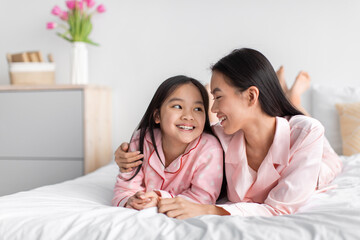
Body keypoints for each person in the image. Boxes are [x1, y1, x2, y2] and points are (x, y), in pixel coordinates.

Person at [115, 48, 342, 218]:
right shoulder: (220, 135)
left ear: (251, 96)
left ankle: (293, 98)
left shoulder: (307, 133)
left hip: (319, 160)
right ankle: (284, 92)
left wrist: (209, 210)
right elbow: (180, 136)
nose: (212, 109)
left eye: (218, 96)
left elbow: (279, 208)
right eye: (212, 98)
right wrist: (125, 155)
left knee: (330, 160)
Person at [112, 75, 223, 210]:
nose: (188, 116)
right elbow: (124, 188)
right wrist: (130, 200)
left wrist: (159, 199)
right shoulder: (141, 139)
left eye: (198, 109)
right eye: (177, 106)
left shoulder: (209, 149)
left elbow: (203, 198)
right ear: (157, 115)